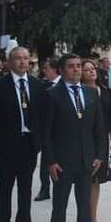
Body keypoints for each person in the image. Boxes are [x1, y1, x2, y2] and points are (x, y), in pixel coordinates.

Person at [42, 53, 108, 222]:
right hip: (62, 162)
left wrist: (99, 155)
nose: (77, 70)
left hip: (86, 161)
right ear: (61, 70)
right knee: (59, 207)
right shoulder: (52, 95)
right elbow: (46, 133)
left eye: (79, 66)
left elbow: (99, 128)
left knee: (85, 207)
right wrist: (50, 161)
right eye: (71, 66)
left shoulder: (91, 93)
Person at [0, 46, 45, 222]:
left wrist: (40, 140)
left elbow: (41, 114)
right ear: (9, 62)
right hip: (7, 144)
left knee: (26, 186)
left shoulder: (37, 85)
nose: (23, 62)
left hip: (29, 143)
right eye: (18, 58)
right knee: (6, 185)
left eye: (25, 58)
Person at [83, 59, 111, 222]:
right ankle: (84, 214)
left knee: (96, 179)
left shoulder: (105, 91)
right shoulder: (79, 91)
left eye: (93, 69)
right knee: (85, 178)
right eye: (86, 70)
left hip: (101, 140)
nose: (91, 72)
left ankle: (92, 216)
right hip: (84, 139)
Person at [35, 57, 62, 201]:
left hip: (60, 131)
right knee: (45, 161)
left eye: (46, 68)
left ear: (55, 69)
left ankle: (59, 186)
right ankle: (45, 188)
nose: (44, 71)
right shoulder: (43, 85)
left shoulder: (63, 85)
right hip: (45, 130)